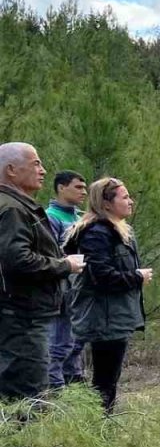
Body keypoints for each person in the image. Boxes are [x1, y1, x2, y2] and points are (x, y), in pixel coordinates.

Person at [0, 143, 85, 400]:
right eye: (36, 163)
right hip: (22, 316)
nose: (44, 170)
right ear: (12, 170)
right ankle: (24, 440)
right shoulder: (12, 209)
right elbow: (18, 261)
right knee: (25, 395)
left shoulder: (16, 205)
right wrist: (65, 265)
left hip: (21, 313)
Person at [63, 178, 151, 411]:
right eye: (124, 197)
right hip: (103, 318)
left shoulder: (117, 230)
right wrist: (137, 277)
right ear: (107, 203)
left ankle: (102, 424)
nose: (130, 201)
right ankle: (99, 429)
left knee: (108, 379)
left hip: (114, 316)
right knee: (104, 380)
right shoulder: (97, 233)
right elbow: (101, 276)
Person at [46, 169, 88, 389]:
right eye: (78, 187)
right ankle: (55, 388)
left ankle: (75, 384)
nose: (84, 191)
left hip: (80, 290)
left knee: (77, 341)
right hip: (62, 289)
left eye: (85, 187)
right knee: (59, 342)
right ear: (62, 188)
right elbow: (50, 255)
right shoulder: (50, 217)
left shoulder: (80, 217)